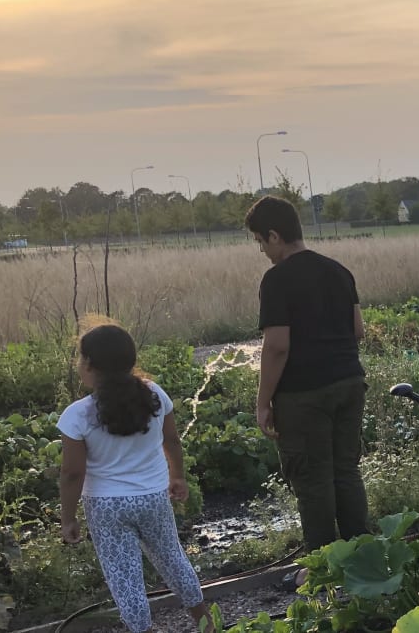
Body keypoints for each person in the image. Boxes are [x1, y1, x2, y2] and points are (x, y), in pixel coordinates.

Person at [58, 323, 212, 633]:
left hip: (106, 508)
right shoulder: (153, 394)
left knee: (125, 578)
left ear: (88, 364)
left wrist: (68, 518)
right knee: (174, 560)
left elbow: (73, 473)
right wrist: (177, 476)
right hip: (154, 497)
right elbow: (172, 440)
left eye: (80, 358)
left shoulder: (77, 415)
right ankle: (208, 625)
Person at [247, 196, 369, 582]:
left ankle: (321, 568)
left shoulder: (277, 279)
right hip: (349, 382)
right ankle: (361, 556)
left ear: (274, 235)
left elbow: (278, 346)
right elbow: (358, 331)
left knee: (312, 479)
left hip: (304, 394)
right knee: (346, 471)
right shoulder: (337, 270)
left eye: (261, 243)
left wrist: (263, 401)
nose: (263, 252)